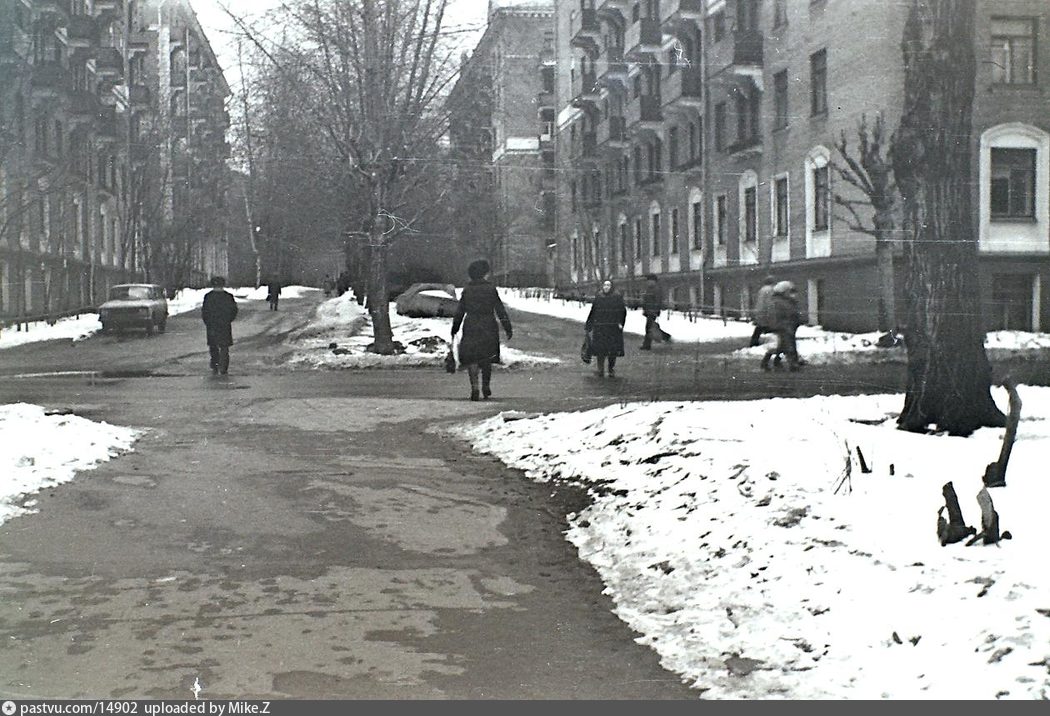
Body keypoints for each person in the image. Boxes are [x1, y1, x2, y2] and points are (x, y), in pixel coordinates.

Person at [451, 259, 512, 401]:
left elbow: (460, 310)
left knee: (472, 358)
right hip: (488, 325)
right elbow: (500, 309)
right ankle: (486, 386)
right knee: (486, 358)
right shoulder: (490, 289)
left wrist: (455, 327)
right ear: (484, 273)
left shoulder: (467, 290)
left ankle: (475, 388)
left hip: (471, 324)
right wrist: (507, 327)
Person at [585, 279, 627, 378]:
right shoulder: (599, 297)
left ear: (612, 287)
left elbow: (622, 311)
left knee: (612, 350)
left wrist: (621, 323)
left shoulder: (617, 297)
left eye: (608, 285)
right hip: (600, 327)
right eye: (604, 285)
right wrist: (589, 324)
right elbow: (593, 311)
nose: (606, 287)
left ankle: (611, 368)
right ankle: (600, 369)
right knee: (600, 349)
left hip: (613, 327)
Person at [201, 276, 239, 376]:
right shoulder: (228, 296)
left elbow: (204, 311)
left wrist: (208, 322)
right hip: (224, 324)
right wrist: (228, 319)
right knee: (224, 346)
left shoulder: (208, 297)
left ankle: (215, 363)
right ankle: (224, 366)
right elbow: (234, 310)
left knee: (213, 345)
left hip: (212, 325)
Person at [762, 280, 803, 371]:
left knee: (782, 346)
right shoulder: (778, 302)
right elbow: (777, 315)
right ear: (784, 291)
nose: (792, 294)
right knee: (787, 345)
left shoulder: (787, 301)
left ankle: (771, 361)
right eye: (790, 291)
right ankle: (792, 363)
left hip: (789, 326)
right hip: (783, 327)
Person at [639, 274, 667, 350]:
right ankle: (647, 344)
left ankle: (647, 345)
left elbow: (658, 301)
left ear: (653, 281)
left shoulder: (656, 289)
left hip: (652, 311)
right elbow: (646, 300)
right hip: (648, 311)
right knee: (650, 328)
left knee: (649, 328)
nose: (647, 282)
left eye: (649, 280)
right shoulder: (649, 289)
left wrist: (656, 311)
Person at [750, 275, 777, 347]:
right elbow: (769, 302)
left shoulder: (762, 290)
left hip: (760, 311)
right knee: (775, 327)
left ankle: (754, 342)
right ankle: (778, 343)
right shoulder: (771, 290)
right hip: (766, 312)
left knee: (759, 328)